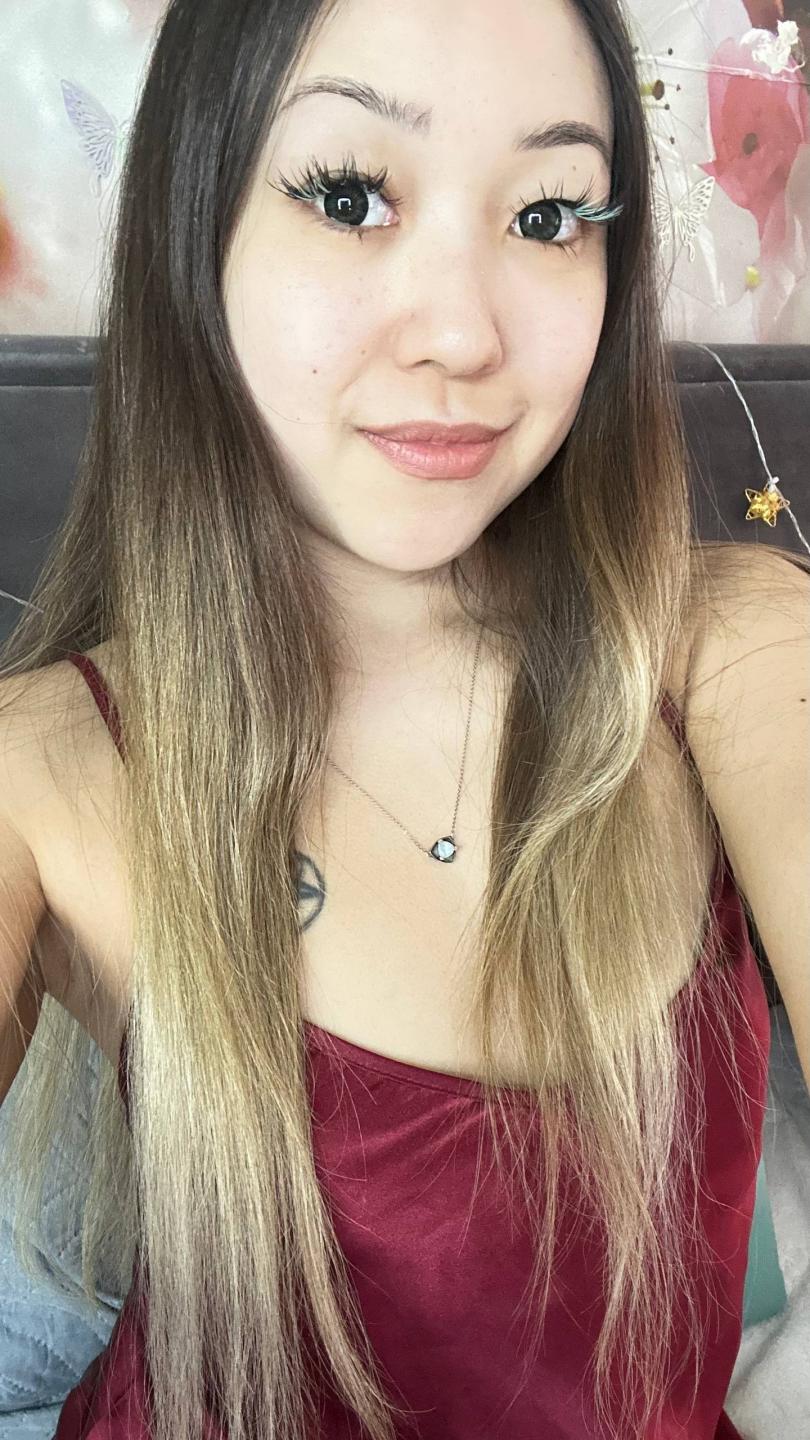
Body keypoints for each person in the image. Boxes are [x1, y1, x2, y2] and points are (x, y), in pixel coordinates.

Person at [1, 0, 807, 1436]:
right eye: (349, 195)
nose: (462, 334)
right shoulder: (48, 764)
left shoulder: (730, 651)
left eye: (549, 216)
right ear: (196, 229)